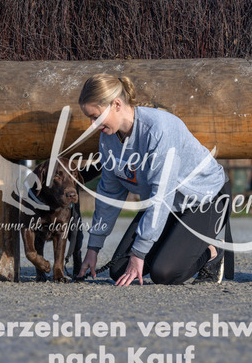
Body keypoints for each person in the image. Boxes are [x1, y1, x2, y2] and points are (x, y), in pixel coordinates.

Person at [76, 74, 233, 286]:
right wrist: (93, 248)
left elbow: (161, 195)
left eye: (95, 117)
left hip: (205, 198)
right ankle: (173, 245)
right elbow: (109, 194)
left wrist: (139, 252)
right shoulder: (107, 139)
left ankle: (212, 252)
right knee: (119, 270)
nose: (92, 125)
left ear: (116, 104)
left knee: (164, 273)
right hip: (168, 205)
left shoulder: (160, 129)